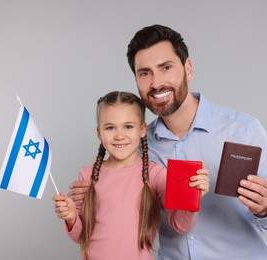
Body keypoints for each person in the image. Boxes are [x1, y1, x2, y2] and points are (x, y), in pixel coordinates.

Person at [68, 25, 267, 259]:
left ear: (188, 68)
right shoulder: (137, 148)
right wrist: (88, 195)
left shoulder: (242, 129)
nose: (156, 83)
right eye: (145, 73)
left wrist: (265, 208)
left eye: (166, 68)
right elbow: (115, 210)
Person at [53, 91, 210, 260]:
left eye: (128, 126)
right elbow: (80, 236)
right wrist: (71, 218)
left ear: (142, 129)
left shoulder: (156, 175)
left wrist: (192, 197)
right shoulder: (87, 174)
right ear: (99, 133)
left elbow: (181, 225)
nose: (119, 135)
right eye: (110, 127)